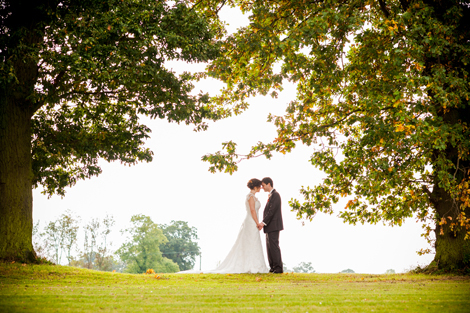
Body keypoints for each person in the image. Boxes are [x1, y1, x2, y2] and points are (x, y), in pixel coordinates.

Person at [178, 178, 269, 274]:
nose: (261, 188)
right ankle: (248, 265)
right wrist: (257, 222)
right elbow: (252, 210)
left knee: (253, 242)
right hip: (251, 222)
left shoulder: (253, 197)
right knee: (249, 242)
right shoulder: (250, 197)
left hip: (253, 221)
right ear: (255, 186)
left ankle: (254, 264)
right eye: (260, 186)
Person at [258, 177, 283, 273]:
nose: (262, 187)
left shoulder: (275, 195)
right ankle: (272, 267)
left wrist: (263, 223)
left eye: (263, 185)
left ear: (269, 184)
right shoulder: (271, 195)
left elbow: (272, 211)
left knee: (274, 246)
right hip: (269, 226)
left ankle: (278, 268)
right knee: (269, 247)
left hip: (274, 225)